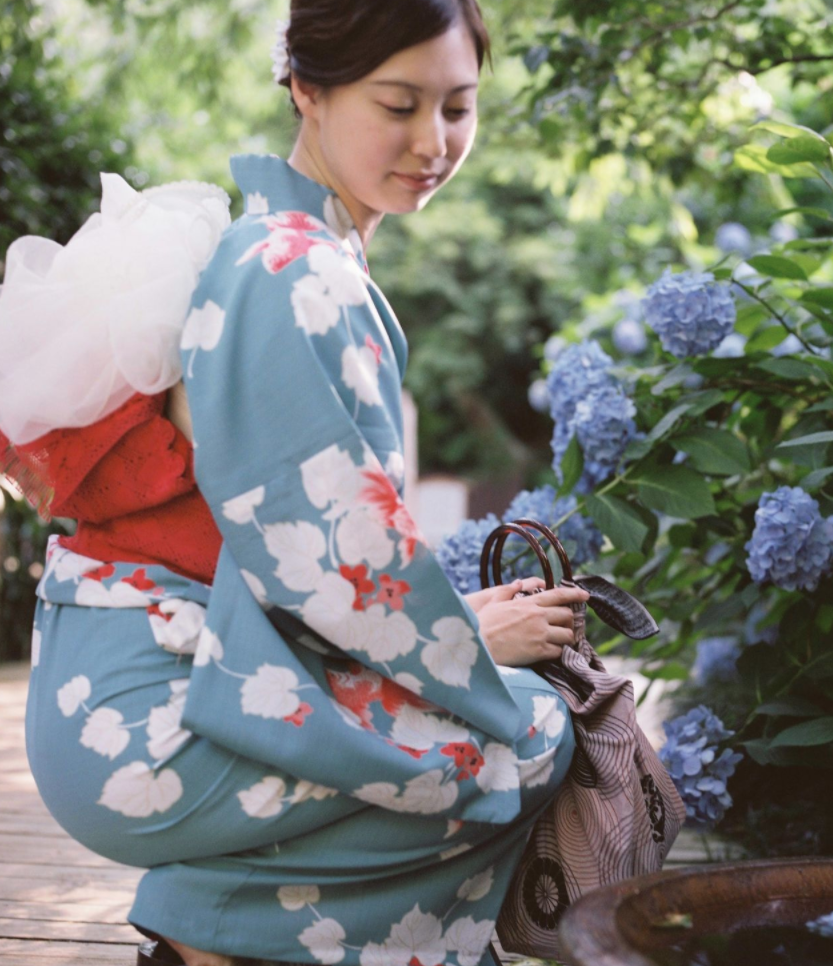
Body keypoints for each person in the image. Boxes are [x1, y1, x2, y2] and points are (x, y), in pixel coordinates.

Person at [0, 2, 590, 964]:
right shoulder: (294, 271)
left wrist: (463, 626)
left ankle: (217, 929)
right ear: (306, 90)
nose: (432, 141)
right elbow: (328, 569)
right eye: (398, 104)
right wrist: (474, 638)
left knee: (492, 720)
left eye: (458, 107)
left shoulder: (285, 250)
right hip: (152, 722)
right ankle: (212, 932)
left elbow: (310, 552)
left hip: (133, 692)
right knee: (523, 734)